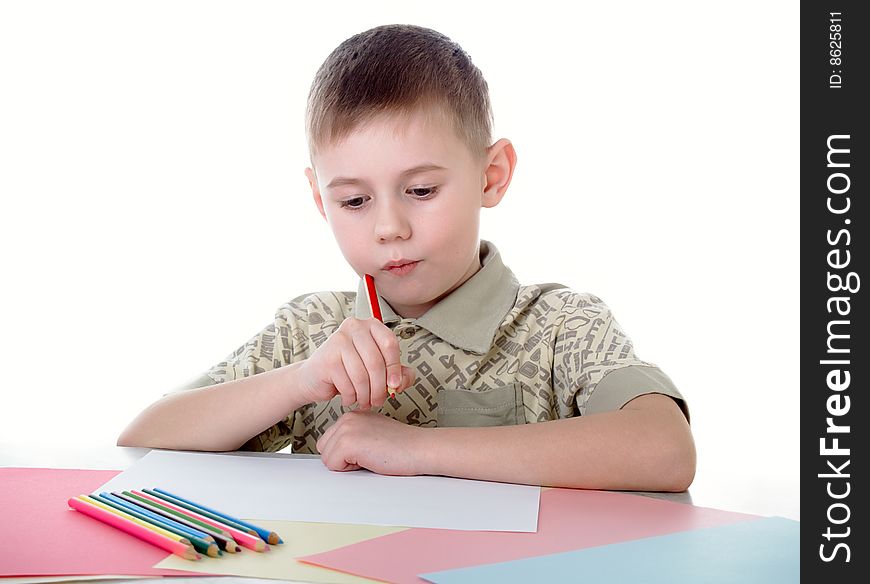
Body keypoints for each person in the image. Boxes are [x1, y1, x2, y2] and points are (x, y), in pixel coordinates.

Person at [118, 24, 695, 492]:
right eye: (353, 200)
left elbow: (666, 450)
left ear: (491, 177)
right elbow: (146, 439)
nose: (388, 228)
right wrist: (299, 381)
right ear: (321, 201)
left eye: (420, 191)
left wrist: (415, 448)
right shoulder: (312, 331)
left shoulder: (560, 324)